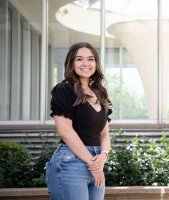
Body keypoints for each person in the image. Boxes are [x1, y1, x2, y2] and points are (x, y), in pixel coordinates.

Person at [45, 42, 112, 200]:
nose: (86, 64)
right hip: (70, 162)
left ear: (96, 63)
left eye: (90, 59)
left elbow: (104, 134)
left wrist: (104, 155)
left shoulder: (101, 94)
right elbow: (66, 132)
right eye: (79, 59)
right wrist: (93, 164)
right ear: (71, 63)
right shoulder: (64, 90)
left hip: (96, 161)